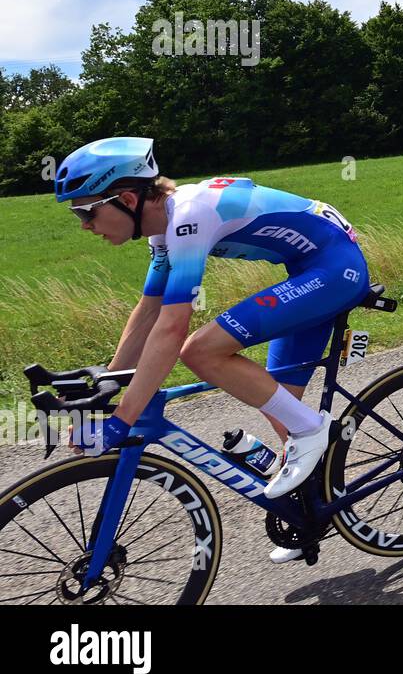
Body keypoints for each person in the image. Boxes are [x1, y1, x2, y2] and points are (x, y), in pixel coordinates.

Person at [54, 138, 370, 521]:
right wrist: (111, 381)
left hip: (335, 268)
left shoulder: (189, 216)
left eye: (86, 213)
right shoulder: (163, 231)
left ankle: (313, 429)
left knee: (199, 351)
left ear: (129, 199)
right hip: (307, 268)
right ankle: (317, 515)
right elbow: (149, 312)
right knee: (278, 406)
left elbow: (172, 329)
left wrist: (122, 419)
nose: (86, 226)